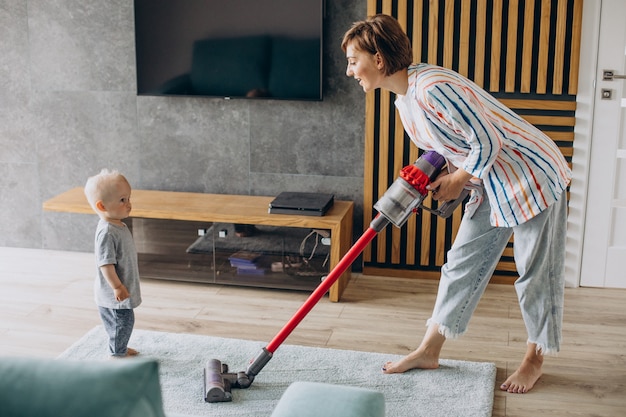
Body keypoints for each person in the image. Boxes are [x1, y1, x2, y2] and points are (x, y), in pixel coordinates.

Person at [342, 14, 571, 394]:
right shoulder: (404, 99)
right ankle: (428, 351)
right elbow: (450, 145)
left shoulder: (431, 87)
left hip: (531, 174)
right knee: (461, 263)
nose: (350, 71)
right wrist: (436, 175)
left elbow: (487, 141)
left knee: (535, 273)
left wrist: (457, 180)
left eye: (353, 60)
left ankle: (534, 359)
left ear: (378, 59)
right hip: (490, 179)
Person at [84, 169, 142, 358]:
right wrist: (117, 286)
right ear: (102, 206)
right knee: (122, 322)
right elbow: (105, 264)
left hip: (121, 287)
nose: (129, 204)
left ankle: (120, 347)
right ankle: (117, 352)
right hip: (112, 294)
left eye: (128, 198)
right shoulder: (107, 232)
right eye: (122, 200)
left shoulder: (118, 225)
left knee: (122, 321)